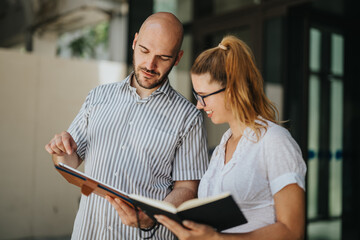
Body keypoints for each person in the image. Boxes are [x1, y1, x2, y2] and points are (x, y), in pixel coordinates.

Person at [45, 12, 209, 239]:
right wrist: (60, 153)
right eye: (144, 51)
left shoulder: (188, 117)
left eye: (163, 57)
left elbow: (187, 189)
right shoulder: (98, 96)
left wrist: (152, 216)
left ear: (178, 58)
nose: (150, 64)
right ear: (134, 42)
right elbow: (70, 164)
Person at [154, 35, 307, 240]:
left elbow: (292, 230)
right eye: (196, 95)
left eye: (203, 96)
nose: (199, 105)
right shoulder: (222, 148)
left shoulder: (275, 141)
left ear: (232, 89)